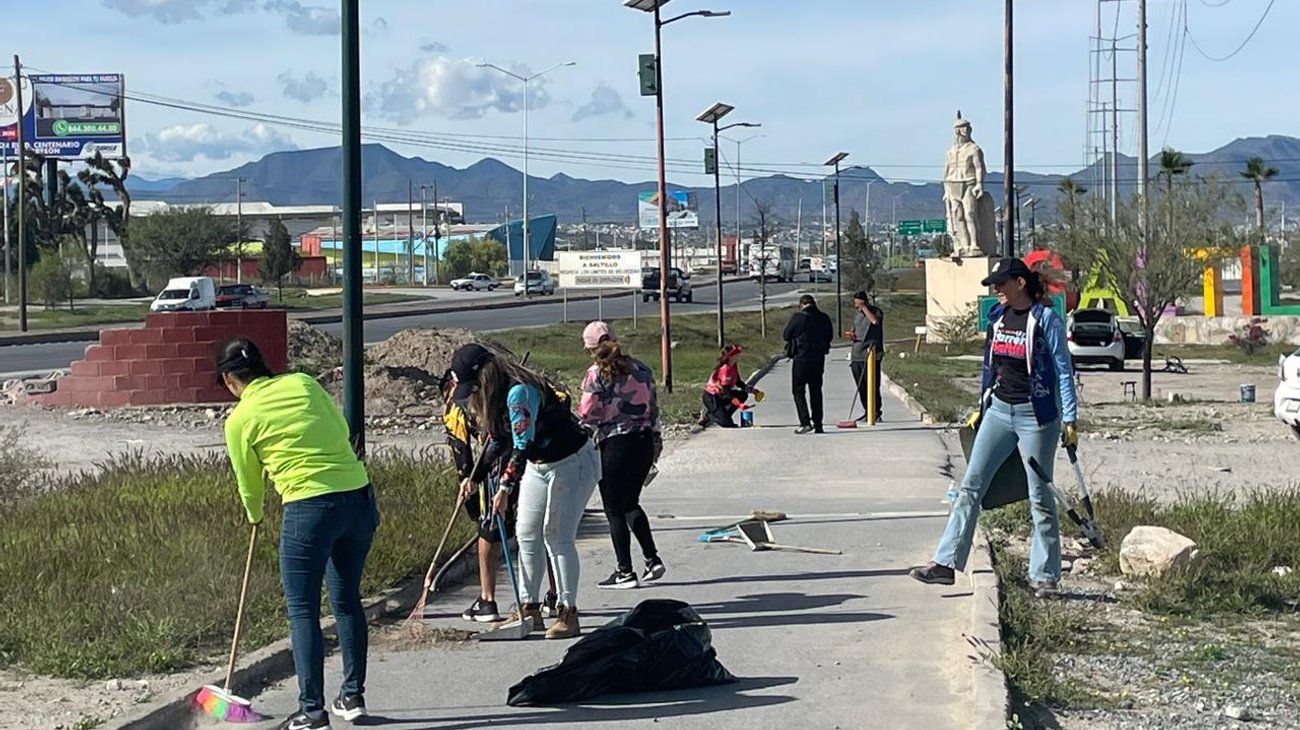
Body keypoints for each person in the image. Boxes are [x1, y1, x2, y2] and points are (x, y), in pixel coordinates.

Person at [218, 338, 377, 730]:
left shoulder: (240, 418)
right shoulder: (304, 383)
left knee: (303, 609)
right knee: (346, 600)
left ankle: (312, 710)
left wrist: (254, 516)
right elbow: (340, 429)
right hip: (358, 498)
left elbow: (248, 482)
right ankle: (352, 697)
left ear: (228, 380)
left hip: (308, 508)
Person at [910, 257, 1078, 595]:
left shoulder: (1045, 320)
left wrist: (1069, 418)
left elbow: (1062, 369)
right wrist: (982, 404)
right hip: (999, 411)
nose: (996, 290)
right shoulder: (998, 319)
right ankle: (945, 563)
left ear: (1019, 283)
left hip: (1037, 417)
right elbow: (991, 366)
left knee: (1040, 496)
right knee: (971, 485)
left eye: (1001, 284)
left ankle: (1045, 575)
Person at [450, 343, 600, 639]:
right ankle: (528, 608)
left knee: (556, 535)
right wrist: (474, 478)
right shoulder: (496, 399)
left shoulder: (518, 392)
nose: (473, 395)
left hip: (571, 461)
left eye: (474, 387)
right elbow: (498, 441)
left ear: (485, 376)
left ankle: (568, 612)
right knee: (527, 532)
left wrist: (504, 488)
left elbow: (522, 444)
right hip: (540, 464)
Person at [440, 371, 559, 623]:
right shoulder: (513, 385)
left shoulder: (455, 404)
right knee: (540, 526)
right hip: (535, 456)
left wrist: (468, 477)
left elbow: (460, 446)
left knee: (490, 528)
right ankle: (554, 596)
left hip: (503, 463)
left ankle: (487, 600)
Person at [576, 321, 667, 589]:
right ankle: (652, 559)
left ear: (591, 348)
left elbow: (588, 415)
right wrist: (656, 444)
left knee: (614, 508)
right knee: (631, 503)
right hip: (643, 443)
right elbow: (653, 409)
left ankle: (624, 571)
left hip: (615, 444)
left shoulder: (596, 374)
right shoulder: (641, 369)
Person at [782, 294, 835, 434]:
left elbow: (786, 335)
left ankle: (805, 422)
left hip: (801, 359)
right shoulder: (824, 318)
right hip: (818, 359)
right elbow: (830, 336)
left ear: (802, 304)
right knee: (816, 391)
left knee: (798, 391)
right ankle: (818, 424)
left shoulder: (798, 318)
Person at [846, 291, 885, 422]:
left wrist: (864, 308)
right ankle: (867, 411)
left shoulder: (876, 311)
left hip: (871, 353)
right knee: (861, 386)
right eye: (855, 304)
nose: (857, 307)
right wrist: (851, 334)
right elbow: (855, 329)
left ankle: (876, 412)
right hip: (857, 354)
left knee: (873, 384)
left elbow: (874, 321)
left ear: (865, 301)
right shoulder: (857, 315)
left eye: (859, 303)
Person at [699, 344, 753, 428]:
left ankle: (724, 415)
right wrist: (738, 404)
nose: (739, 356)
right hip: (712, 397)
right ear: (731, 356)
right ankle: (710, 416)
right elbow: (727, 391)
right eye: (736, 354)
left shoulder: (733, 365)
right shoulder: (725, 369)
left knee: (743, 395)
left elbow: (738, 382)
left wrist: (749, 389)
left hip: (721, 395)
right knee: (728, 424)